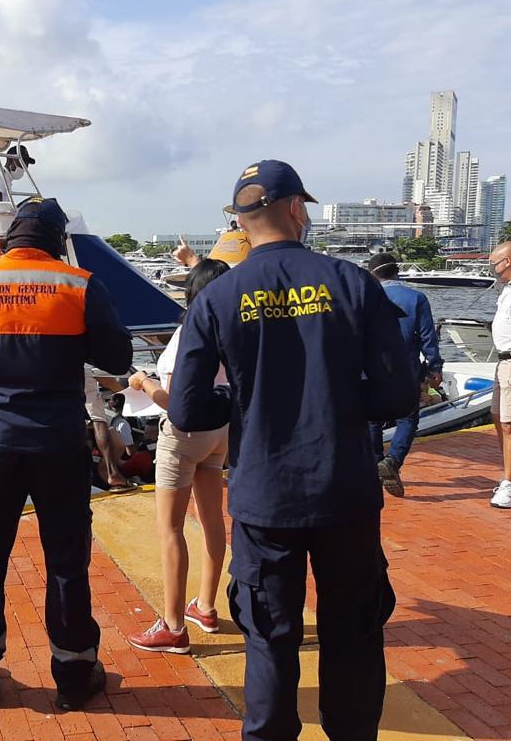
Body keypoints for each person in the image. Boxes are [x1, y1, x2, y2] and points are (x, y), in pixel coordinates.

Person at [170, 160, 417, 739]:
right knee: (353, 634)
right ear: (297, 209)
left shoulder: (217, 297)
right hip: (345, 492)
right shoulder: (352, 283)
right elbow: (397, 394)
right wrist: (338, 398)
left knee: (269, 638)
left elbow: (187, 410)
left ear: (241, 220)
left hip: (264, 497)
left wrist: (243, 409)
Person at [0, 197, 132, 711]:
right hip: (57, 443)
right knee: (66, 561)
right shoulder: (79, 285)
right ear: (58, 240)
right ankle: (75, 673)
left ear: (10, 239)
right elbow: (117, 356)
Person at [126, 259, 231, 655]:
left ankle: (171, 626)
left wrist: (142, 381)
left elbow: (174, 402)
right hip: (220, 432)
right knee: (211, 520)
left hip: (184, 436)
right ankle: (205, 606)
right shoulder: (233, 329)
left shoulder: (190, 332)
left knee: (170, 528)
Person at [364, 252, 443, 498]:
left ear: (372, 273)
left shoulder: (365, 296)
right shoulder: (416, 298)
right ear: (397, 272)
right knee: (407, 419)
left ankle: (375, 466)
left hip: (369, 368)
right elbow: (428, 336)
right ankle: (392, 461)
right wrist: (434, 367)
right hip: (405, 367)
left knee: (372, 420)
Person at [487, 241, 511, 508]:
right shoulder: (510, 287)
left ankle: (509, 484)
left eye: (494, 263)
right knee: (499, 418)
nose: (492, 269)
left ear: (508, 261)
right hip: (504, 361)